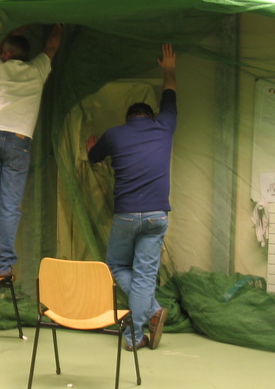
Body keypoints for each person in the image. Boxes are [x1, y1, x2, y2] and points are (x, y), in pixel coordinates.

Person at [86, 43, 177, 351]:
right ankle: (150, 311)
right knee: (143, 276)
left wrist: (91, 147)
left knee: (115, 266)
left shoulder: (115, 134)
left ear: (128, 119)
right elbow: (170, 94)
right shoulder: (164, 126)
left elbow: (94, 157)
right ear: (150, 117)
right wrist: (169, 69)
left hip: (126, 215)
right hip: (156, 216)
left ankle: (138, 333)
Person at [0, 24, 63, 278]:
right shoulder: (37, 70)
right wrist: (58, 26)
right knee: (10, 207)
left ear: (7, 54)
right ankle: (3, 267)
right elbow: (52, 46)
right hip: (18, 141)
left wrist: (8, 33)